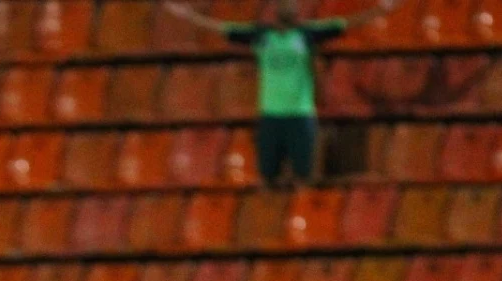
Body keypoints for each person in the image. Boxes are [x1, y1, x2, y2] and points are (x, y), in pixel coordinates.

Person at [165, 0, 397, 186]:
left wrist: (381, 9)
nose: (287, 6)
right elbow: (222, 27)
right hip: (270, 116)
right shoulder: (262, 36)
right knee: (267, 176)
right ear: (275, 10)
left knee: (304, 175)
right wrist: (188, 15)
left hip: (300, 115)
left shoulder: (307, 35)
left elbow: (345, 24)